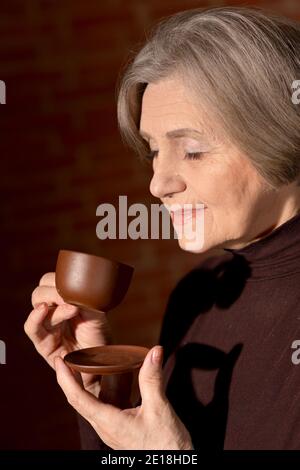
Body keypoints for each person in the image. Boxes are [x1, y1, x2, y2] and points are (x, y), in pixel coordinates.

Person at [24, 6, 300, 450]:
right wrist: (106, 389)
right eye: (153, 150)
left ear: (280, 132)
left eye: (191, 150)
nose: (157, 184)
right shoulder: (198, 292)